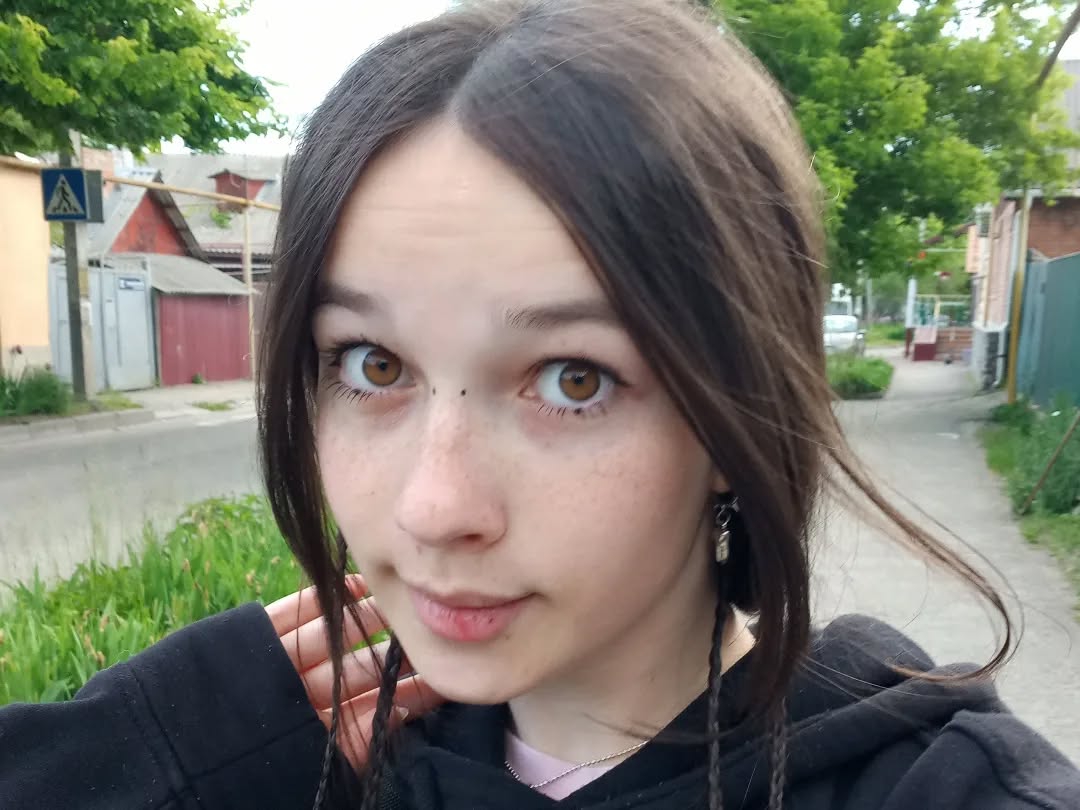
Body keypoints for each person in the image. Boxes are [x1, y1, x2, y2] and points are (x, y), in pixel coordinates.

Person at [2, 1, 1078, 808]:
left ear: (738, 408)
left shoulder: (937, 789)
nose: (435, 509)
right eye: (373, 365)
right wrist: (153, 750)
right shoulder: (300, 766)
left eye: (574, 379)